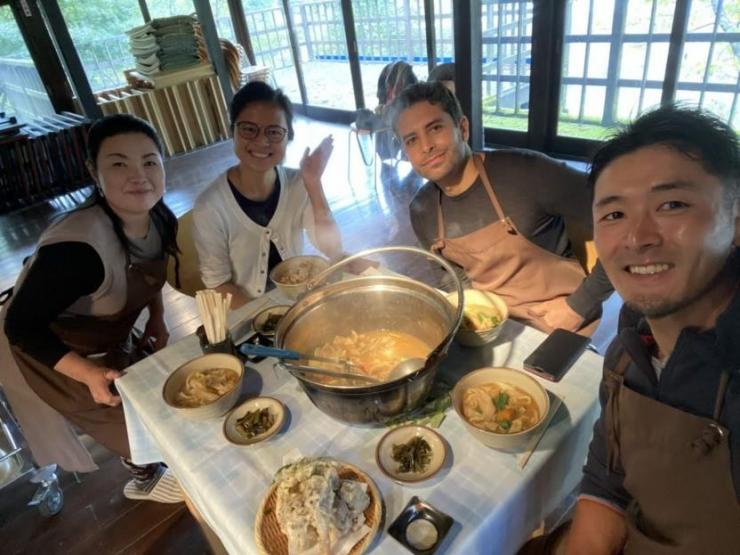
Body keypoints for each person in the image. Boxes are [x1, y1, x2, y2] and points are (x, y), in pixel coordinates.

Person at [561, 106, 740, 553]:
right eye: (614, 214)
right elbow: (610, 479)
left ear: (735, 221)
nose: (638, 237)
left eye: (672, 205)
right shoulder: (628, 349)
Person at [2, 114, 183, 503]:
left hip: (105, 328)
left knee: (149, 401)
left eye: (150, 161)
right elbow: (20, 327)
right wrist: (87, 373)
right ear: (93, 171)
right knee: (126, 420)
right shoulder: (77, 248)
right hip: (46, 345)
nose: (140, 176)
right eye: (119, 163)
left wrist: (158, 317)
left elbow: (150, 272)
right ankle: (144, 476)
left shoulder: (159, 218)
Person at [389, 81, 613, 333]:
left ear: (462, 128)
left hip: (557, 321)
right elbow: (449, 277)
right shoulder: (422, 209)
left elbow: (623, 222)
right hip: (489, 326)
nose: (426, 146)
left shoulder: (528, 173)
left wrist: (579, 305)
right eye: (411, 140)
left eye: (435, 128)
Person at [193, 81, 342, 308]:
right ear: (231, 130)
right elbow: (218, 285)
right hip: (245, 314)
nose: (262, 141)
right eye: (249, 129)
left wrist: (313, 183)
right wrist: (269, 316)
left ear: (287, 137)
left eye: (273, 132)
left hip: (298, 301)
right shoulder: (210, 207)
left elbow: (331, 246)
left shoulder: (297, 184)